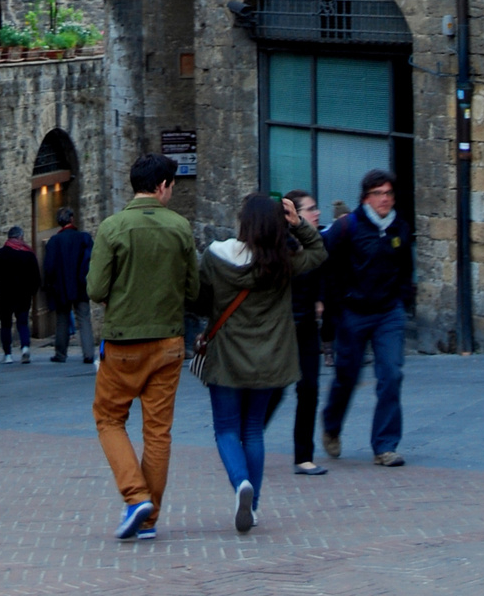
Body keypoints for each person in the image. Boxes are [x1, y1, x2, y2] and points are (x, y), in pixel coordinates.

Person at [197, 192, 327, 531]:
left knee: (226, 429)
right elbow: (318, 253)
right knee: (253, 430)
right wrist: (299, 226)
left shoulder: (215, 257)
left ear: (243, 222)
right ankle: (252, 508)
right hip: (269, 359)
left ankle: (241, 482)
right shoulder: (281, 263)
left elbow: (198, 300)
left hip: (227, 358)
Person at [87, 152, 199, 542]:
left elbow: (96, 289)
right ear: (163, 185)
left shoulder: (113, 227)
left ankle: (135, 497)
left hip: (123, 342)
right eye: (173, 186)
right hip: (168, 340)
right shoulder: (181, 227)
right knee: (158, 431)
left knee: (108, 419)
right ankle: (149, 519)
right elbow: (193, 289)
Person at [320, 168, 415, 468]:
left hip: (389, 312)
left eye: (388, 193)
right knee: (347, 376)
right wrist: (331, 301)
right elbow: (324, 262)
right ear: (365, 198)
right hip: (354, 311)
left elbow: (405, 267)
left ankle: (385, 446)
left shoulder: (400, 226)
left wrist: (401, 297)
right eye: (378, 194)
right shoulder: (348, 227)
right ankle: (332, 426)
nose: (385, 199)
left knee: (391, 375)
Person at [283, 189, 330, 477]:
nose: (317, 213)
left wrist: (320, 300)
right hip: (283, 328)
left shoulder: (317, 242)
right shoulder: (284, 246)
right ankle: (247, 438)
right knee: (273, 391)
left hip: (308, 328)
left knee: (309, 388)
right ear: (294, 215)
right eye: (310, 209)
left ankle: (304, 456)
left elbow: (323, 272)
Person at [44, 207, 94, 364]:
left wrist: (51, 284)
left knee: (62, 319)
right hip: (80, 284)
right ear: (72, 219)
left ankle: (61, 353)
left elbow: (49, 266)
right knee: (84, 318)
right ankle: (88, 353)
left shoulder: (54, 242)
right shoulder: (84, 238)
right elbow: (89, 261)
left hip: (62, 285)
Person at [0, 225, 41, 364]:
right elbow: (36, 277)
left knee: (6, 325)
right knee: (22, 323)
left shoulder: (1, 253)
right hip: (23, 295)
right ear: (21, 237)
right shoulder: (28, 254)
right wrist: (32, 292)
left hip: (5, 295)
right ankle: (25, 347)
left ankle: (8, 354)